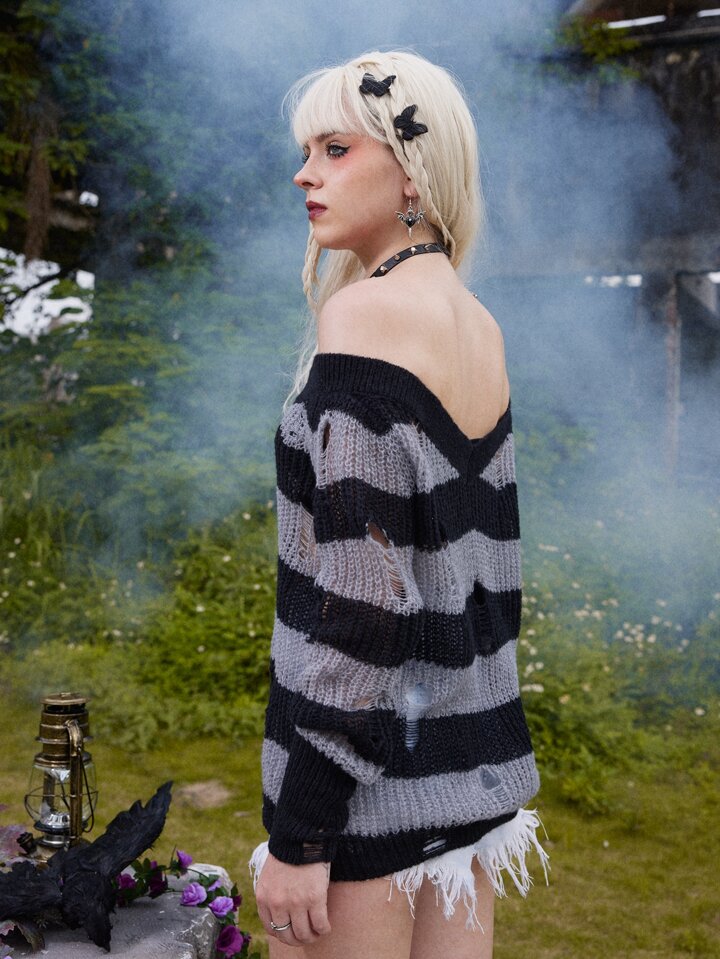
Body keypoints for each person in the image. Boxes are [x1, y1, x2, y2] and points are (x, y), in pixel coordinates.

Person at [248, 50, 548, 959]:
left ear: (412, 171)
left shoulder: (364, 318)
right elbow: (489, 583)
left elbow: (365, 607)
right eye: (307, 151)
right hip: (468, 779)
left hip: (366, 803)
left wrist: (303, 832)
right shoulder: (478, 325)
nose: (305, 174)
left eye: (336, 149)